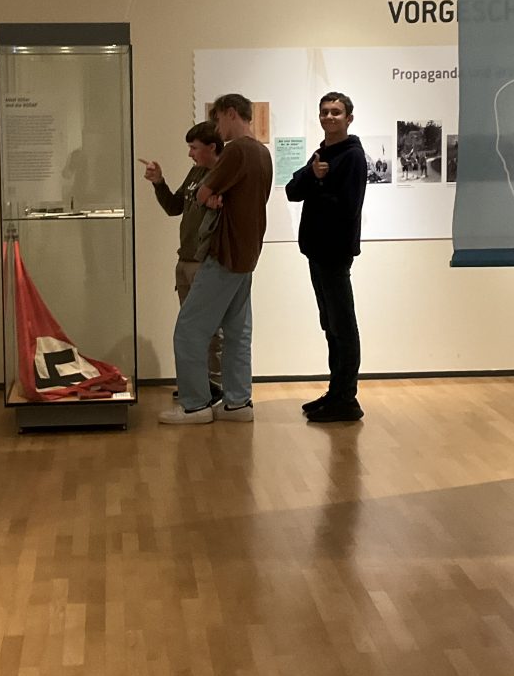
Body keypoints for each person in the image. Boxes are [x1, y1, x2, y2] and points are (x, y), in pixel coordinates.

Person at [160, 93, 273, 425]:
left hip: (224, 253)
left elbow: (203, 192)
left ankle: (195, 405)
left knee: (189, 329)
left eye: (218, 118)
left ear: (231, 113)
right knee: (237, 331)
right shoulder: (262, 152)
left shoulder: (237, 150)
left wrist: (208, 195)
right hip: (247, 253)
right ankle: (238, 403)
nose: (217, 126)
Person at [285, 91, 367, 422]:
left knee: (342, 325)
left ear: (349, 118)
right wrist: (313, 176)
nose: (329, 117)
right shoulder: (322, 153)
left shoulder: (353, 157)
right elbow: (292, 191)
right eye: (325, 112)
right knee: (331, 325)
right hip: (317, 251)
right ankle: (336, 392)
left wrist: (317, 184)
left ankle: (347, 400)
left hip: (335, 253)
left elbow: (347, 207)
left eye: (336, 112)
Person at [140, 121, 224, 402]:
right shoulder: (196, 172)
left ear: (211, 147)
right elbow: (174, 207)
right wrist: (159, 182)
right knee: (190, 328)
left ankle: (215, 386)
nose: (190, 153)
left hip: (206, 261)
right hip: (185, 259)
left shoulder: (224, 175)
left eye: (194, 148)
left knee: (212, 330)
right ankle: (197, 384)